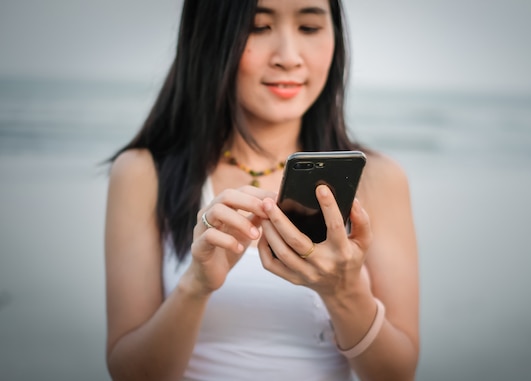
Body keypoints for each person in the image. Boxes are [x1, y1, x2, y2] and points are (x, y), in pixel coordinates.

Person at [104, 0, 419, 380]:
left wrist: (343, 291)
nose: (288, 57)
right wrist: (196, 286)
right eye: (258, 26)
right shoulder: (144, 172)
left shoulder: (378, 178)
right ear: (208, 38)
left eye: (308, 28)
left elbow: (396, 374)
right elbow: (130, 374)